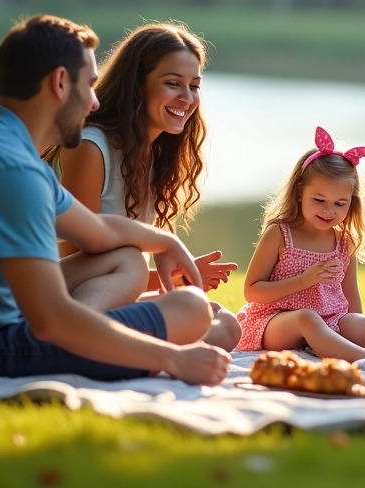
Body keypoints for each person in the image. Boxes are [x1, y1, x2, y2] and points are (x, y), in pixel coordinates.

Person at [0, 15, 230, 385]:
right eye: (90, 86)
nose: (96, 103)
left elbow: (96, 231)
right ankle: (121, 347)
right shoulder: (11, 169)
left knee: (137, 266)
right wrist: (175, 359)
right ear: (61, 83)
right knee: (193, 310)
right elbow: (52, 320)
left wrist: (166, 240)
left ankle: (121, 343)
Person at [46, 21, 240, 350]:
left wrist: (179, 278)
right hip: (57, 296)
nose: (187, 97)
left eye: (194, 85)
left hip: (114, 292)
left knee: (224, 323)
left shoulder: (156, 156)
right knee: (141, 267)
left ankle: (117, 345)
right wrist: (161, 274)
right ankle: (87, 342)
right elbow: (74, 257)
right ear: (137, 84)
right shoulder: (91, 148)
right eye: (173, 83)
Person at [234, 127, 365, 361]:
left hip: (327, 322)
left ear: (352, 202)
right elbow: (252, 291)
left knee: (360, 323)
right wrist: (303, 281)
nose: (329, 211)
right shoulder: (279, 234)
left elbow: (351, 297)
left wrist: (358, 331)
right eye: (319, 200)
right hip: (273, 322)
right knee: (307, 318)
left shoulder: (343, 242)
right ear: (300, 193)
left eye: (340, 204)